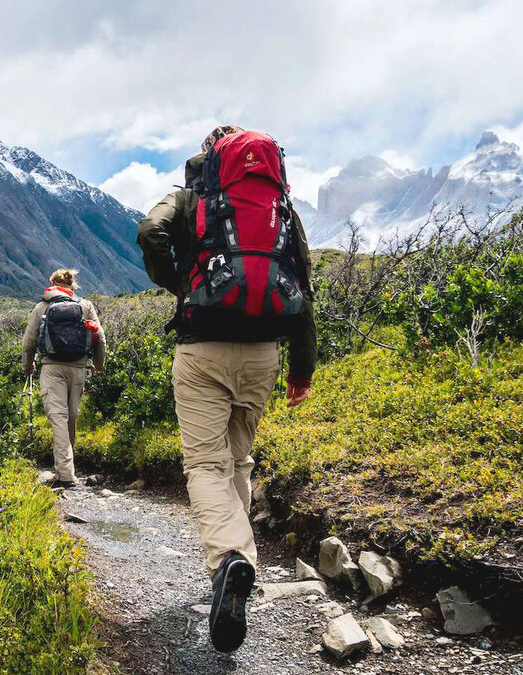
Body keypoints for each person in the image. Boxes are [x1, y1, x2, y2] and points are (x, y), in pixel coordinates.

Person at [137, 125, 316, 653]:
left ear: (211, 156)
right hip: (263, 354)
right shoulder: (279, 206)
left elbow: (150, 232)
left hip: (202, 348)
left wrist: (180, 283)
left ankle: (230, 561)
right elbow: (303, 284)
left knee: (205, 465)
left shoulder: (191, 197)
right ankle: (238, 564)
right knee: (238, 460)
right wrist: (301, 371)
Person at [21, 269, 106, 489]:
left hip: (52, 368)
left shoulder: (42, 307)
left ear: (51, 284)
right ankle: (67, 468)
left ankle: (66, 474)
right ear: (72, 285)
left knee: (58, 417)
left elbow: (28, 342)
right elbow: (100, 337)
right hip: (79, 368)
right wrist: (98, 364)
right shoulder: (85, 306)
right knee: (72, 416)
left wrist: (28, 367)